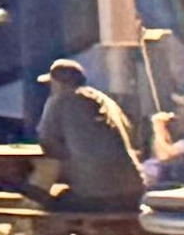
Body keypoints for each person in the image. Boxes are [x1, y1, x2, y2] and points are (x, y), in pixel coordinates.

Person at [30, 56, 148, 215]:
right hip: (134, 192)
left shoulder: (60, 100)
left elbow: (49, 146)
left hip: (95, 196)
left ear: (57, 83)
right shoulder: (106, 101)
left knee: (43, 201)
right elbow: (131, 139)